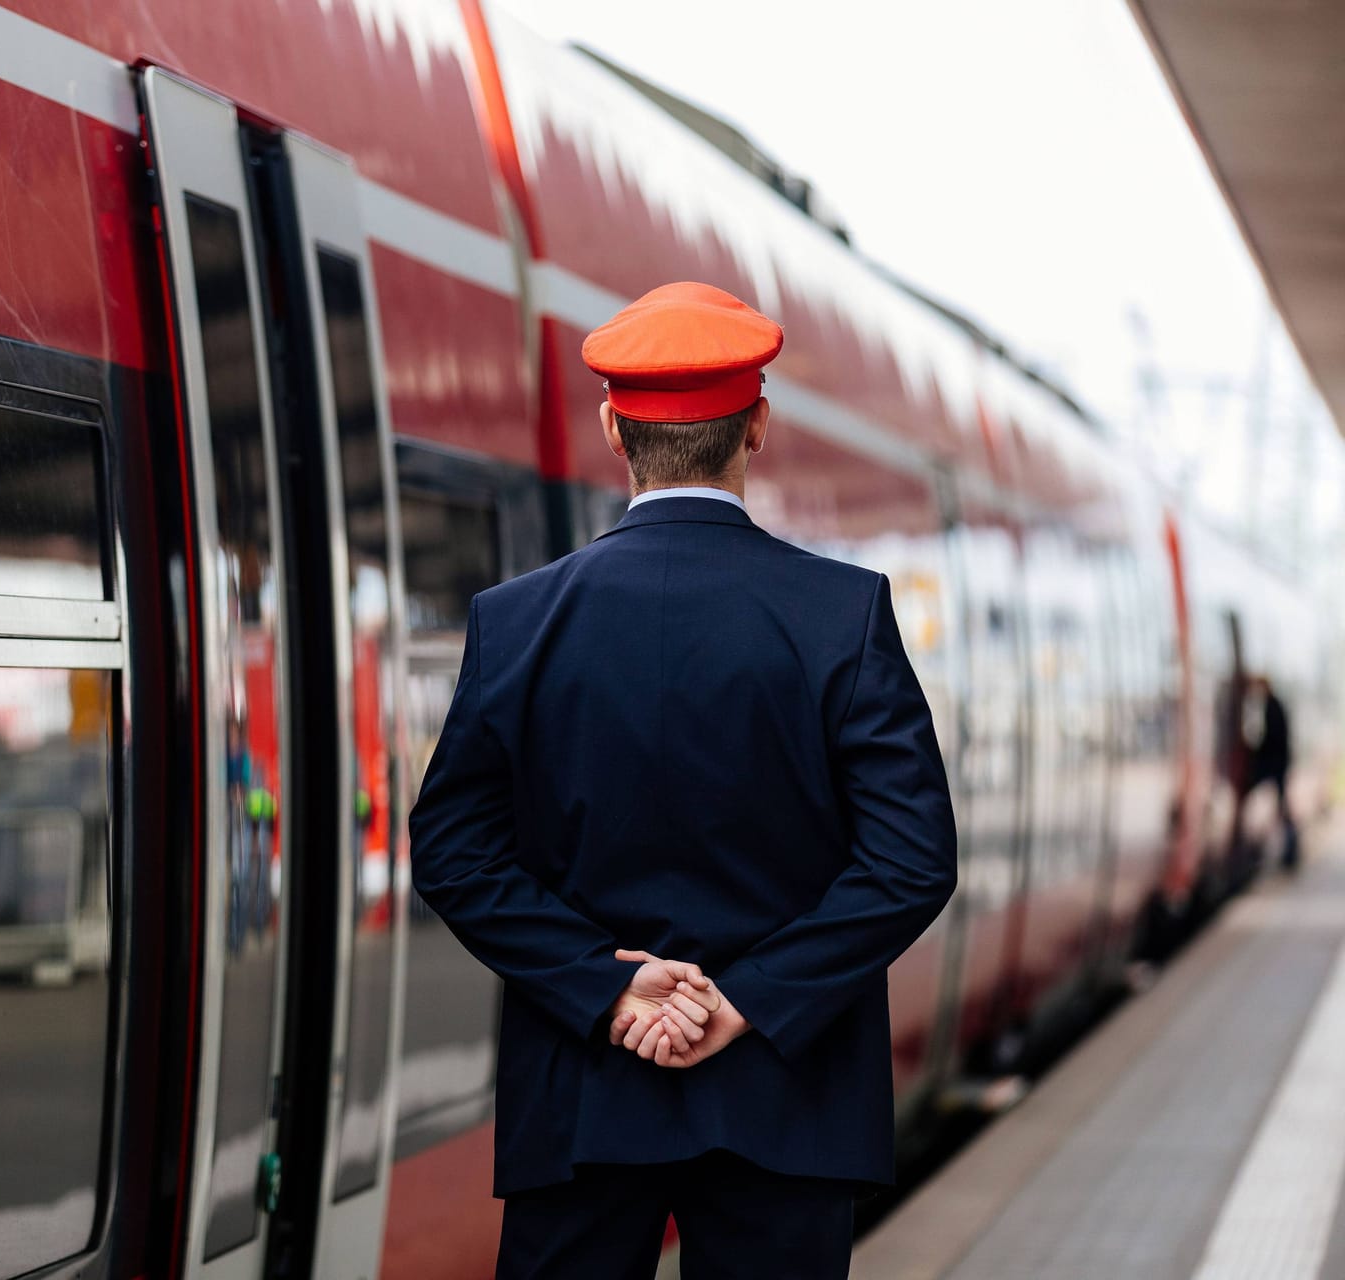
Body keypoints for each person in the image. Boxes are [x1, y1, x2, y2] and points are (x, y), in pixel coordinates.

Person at [409, 283, 957, 1279]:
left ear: (613, 429)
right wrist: (746, 1000)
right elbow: (913, 860)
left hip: (580, 1098)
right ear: (757, 427)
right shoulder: (845, 616)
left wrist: (611, 991)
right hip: (786, 1104)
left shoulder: (517, 621)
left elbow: (451, 848)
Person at [1245, 675, 1297, 869]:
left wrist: (1255, 753)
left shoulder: (1272, 706)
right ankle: (1289, 851)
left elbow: (1271, 738)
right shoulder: (1274, 705)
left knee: (1280, 808)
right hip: (1279, 764)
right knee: (1282, 807)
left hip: (1275, 765)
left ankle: (1289, 851)